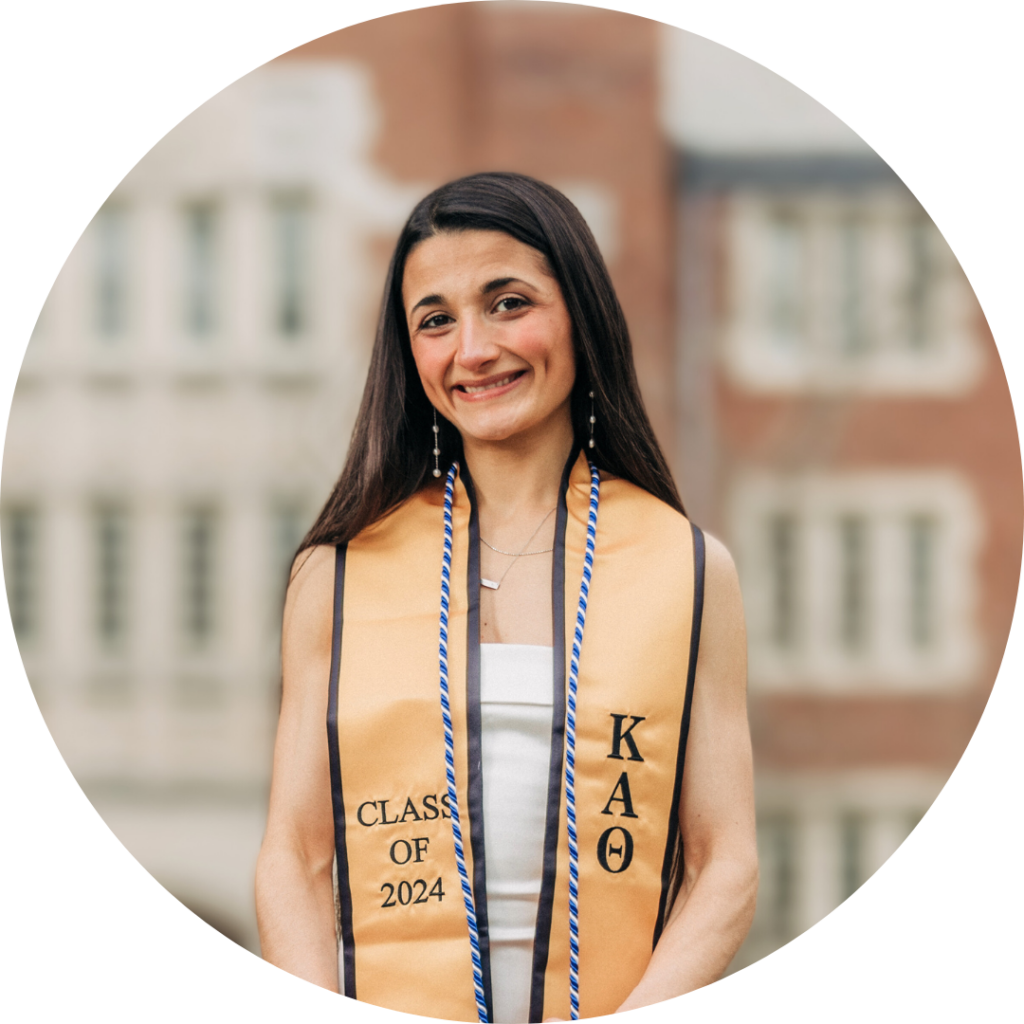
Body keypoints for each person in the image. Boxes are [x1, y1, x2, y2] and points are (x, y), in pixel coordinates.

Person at [255, 172, 757, 1023]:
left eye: (509, 302)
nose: (475, 350)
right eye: (436, 320)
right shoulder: (337, 575)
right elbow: (296, 859)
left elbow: (724, 864)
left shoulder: (687, 569)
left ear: (580, 316)